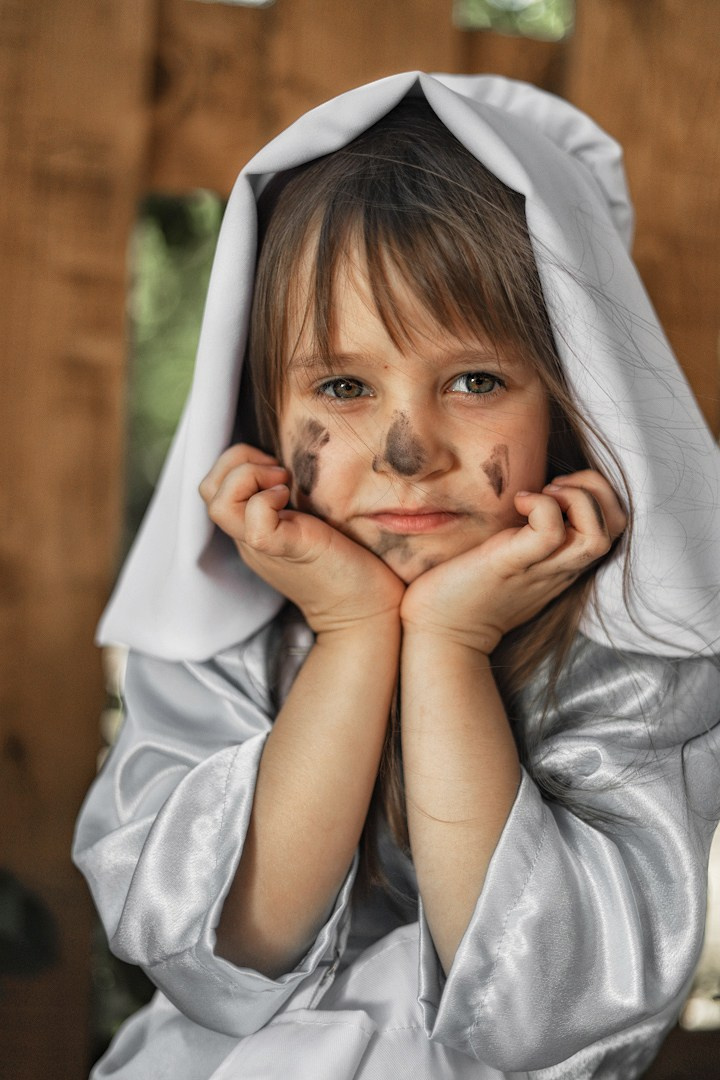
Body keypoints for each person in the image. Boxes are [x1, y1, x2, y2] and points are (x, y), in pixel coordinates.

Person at [73, 73, 720, 1080]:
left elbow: (542, 1020)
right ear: (258, 411)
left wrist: (451, 646)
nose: (406, 451)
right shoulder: (222, 636)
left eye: (474, 381)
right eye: (342, 385)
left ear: (571, 400)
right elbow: (223, 959)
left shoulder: (633, 660)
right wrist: (355, 631)